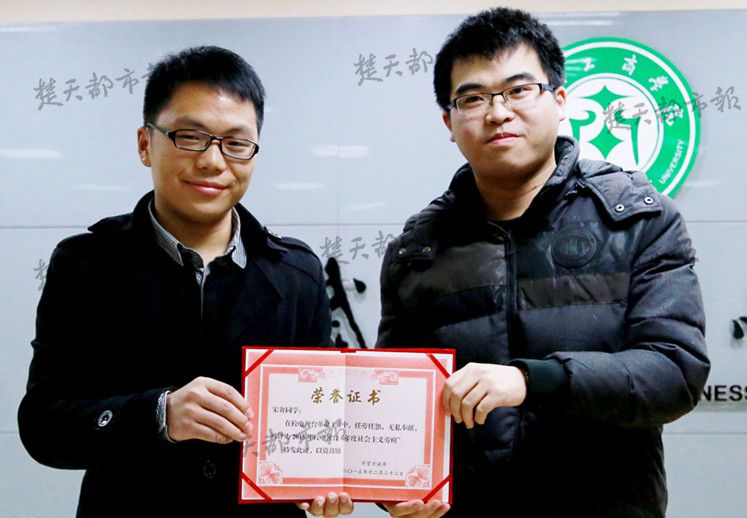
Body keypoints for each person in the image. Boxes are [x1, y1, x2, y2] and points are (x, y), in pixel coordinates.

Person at [376, 8, 709, 518]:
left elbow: (674, 372)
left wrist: (533, 380)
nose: (497, 112)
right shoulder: (417, 250)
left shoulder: (638, 219)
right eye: (473, 98)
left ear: (560, 101)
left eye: (518, 90)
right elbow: (394, 405)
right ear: (449, 122)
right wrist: (390, 489)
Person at [18, 46, 352, 518]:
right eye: (190, 137)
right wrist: (160, 414)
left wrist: (326, 479)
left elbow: (322, 416)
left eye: (236, 143)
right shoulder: (86, 264)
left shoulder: (296, 273)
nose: (214, 161)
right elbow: (44, 426)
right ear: (144, 144)